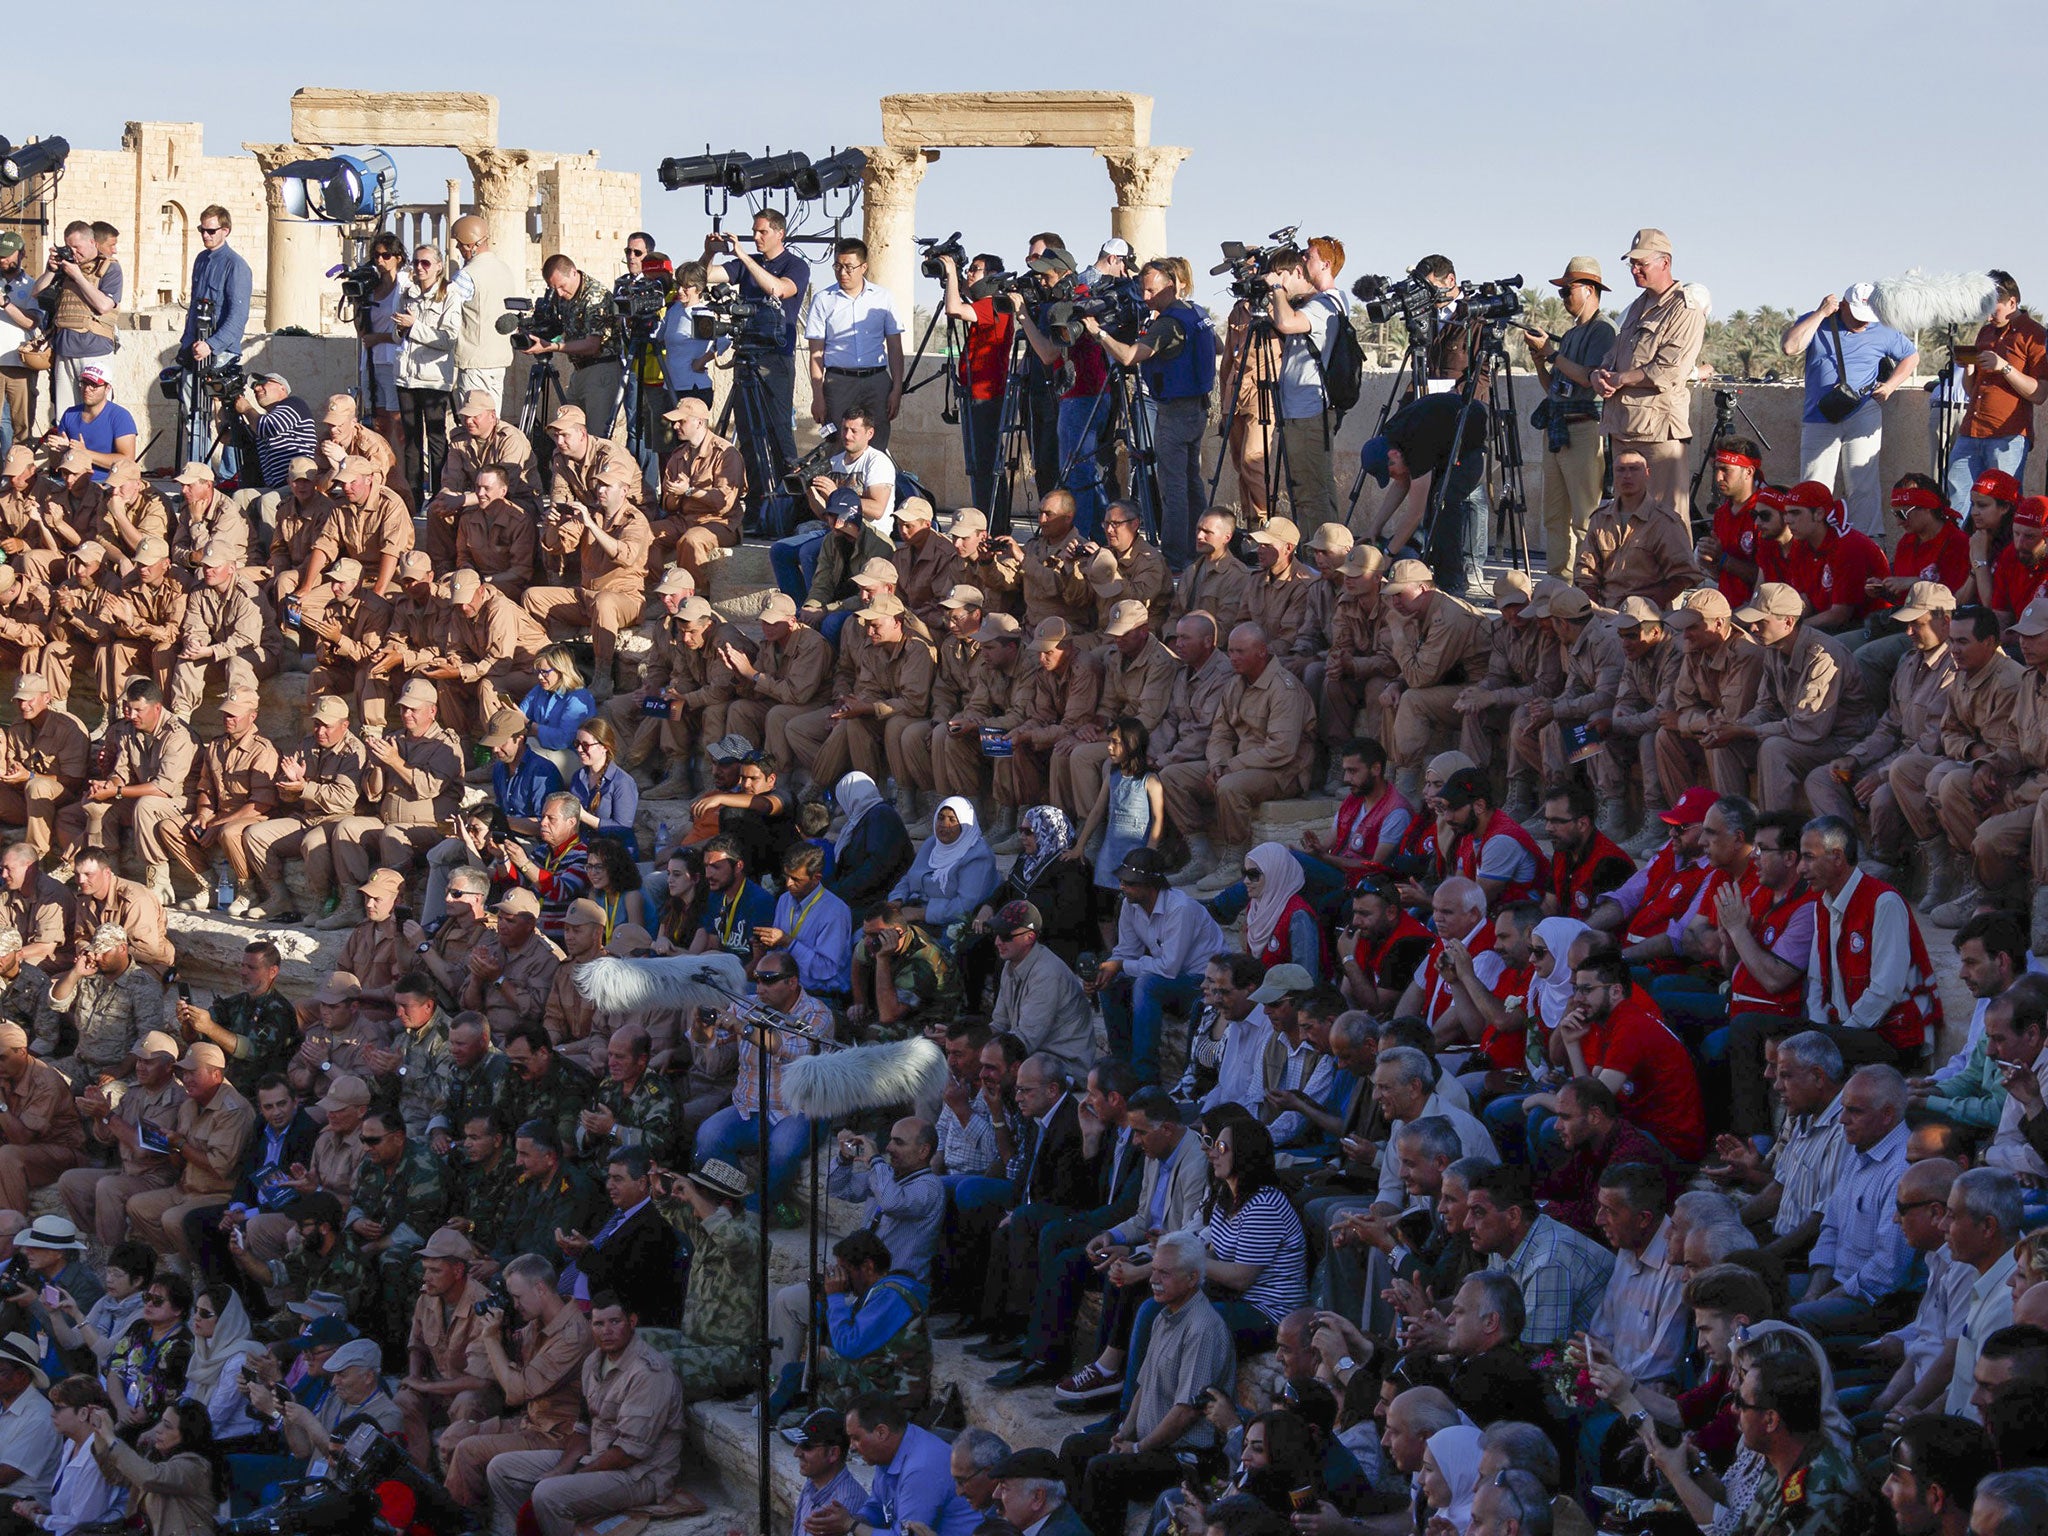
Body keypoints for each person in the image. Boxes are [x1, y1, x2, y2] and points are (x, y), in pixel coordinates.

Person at [1058, 1232, 1236, 1536]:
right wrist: (1123, 1433)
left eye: (1164, 1272)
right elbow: (1144, 1385)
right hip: (1152, 1442)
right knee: (1075, 1447)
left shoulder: (1203, 1329)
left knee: (1104, 1470)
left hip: (1185, 1456)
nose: (1153, 1278)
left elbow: (1186, 1412)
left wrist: (1139, 1447)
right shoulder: (1164, 1315)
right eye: (1154, 1269)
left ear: (1193, 1278)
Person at [1086, 259, 1217, 566]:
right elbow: (1217, 345)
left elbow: (1131, 356)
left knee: (1172, 487)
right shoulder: (1197, 314)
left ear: (1171, 286)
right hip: (1197, 407)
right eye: (1142, 290)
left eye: (1151, 291)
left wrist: (1100, 334)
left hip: (1175, 410)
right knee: (1191, 482)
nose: (1145, 298)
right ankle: (1202, 548)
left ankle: (1173, 556)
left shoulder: (1169, 323)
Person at [1780, 285, 1919, 537]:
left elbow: (1911, 357)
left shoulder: (1883, 330)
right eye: (1857, 315)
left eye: (1868, 317)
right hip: (1819, 415)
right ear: (1842, 305)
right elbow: (1790, 347)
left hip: (1863, 411)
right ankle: (1813, 540)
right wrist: (1821, 313)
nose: (1863, 323)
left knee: (1863, 483)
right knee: (1814, 483)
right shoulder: (1819, 321)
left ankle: (1867, 542)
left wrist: (1890, 385)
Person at [1592, 229, 1705, 521]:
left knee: (1668, 518)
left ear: (1665, 263)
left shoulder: (1684, 309)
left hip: (1658, 433)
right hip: (1622, 426)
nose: (1634, 269)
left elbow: (1669, 370)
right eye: (1632, 263)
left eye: (1642, 263)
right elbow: (1613, 355)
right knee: (1627, 516)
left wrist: (1621, 379)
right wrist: (1599, 375)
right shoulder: (1636, 309)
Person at [1523, 257, 1619, 576]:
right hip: (1558, 429)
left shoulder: (1603, 330)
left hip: (1583, 429)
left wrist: (1551, 353)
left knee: (1584, 517)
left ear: (1590, 290)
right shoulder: (1573, 332)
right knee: (1554, 515)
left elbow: (1589, 378)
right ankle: (1556, 584)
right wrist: (1540, 361)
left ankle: (1585, 584)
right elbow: (1554, 386)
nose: (1563, 298)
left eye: (1568, 291)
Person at [1945, 269, 2047, 511]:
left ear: (2012, 302)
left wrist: (2005, 367)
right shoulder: (1986, 331)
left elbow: (2040, 394)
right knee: (1957, 501)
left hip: (2008, 435)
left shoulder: (2034, 335)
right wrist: (1969, 368)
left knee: (2004, 506)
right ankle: (1960, 548)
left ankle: (2002, 550)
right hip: (1971, 431)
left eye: (1994, 307)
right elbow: (1972, 392)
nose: (1989, 314)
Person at [33, 223, 120, 419]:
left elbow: (104, 305)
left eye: (77, 247)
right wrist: (51, 270)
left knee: (96, 414)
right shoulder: (67, 267)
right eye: (68, 247)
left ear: (92, 242)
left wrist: (77, 276)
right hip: (64, 350)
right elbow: (36, 292)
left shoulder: (109, 268)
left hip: (93, 349)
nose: (74, 252)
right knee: (66, 415)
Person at [392, 244, 459, 497]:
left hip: (432, 377)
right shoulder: (407, 292)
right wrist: (400, 329)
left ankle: (440, 493)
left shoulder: (450, 294)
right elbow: (396, 334)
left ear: (439, 266)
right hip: (406, 375)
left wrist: (414, 326)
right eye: (416, 262)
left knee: (436, 437)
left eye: (426, 263)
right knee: (410, 439)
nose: (420, 267)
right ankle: (413, 495)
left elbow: (448, 339)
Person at [445, 216, 517, 407]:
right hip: (499, 358)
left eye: (460, 246)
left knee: (474, 421)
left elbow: (446, 309)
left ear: (471, 246)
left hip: (474, 360)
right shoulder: (505, 269)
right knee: (493, 419)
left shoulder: (467, 275)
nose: (459, 250)